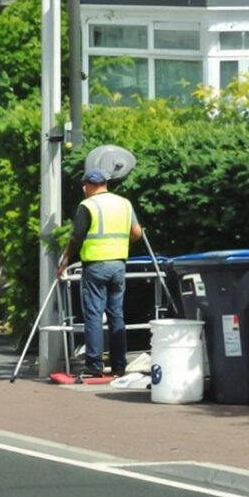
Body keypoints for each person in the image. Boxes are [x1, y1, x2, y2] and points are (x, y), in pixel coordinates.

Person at [60, 147, 146, 378]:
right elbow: (137, 233)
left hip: (96, 266)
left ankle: (95, 365)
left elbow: (76, 237)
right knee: (116, 315)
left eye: (84, 185)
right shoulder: (124, 203)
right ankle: (119, 365)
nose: (83, 189)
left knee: (93, 315)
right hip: (118, 265)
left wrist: (65, 260)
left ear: (88, 185)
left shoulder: (88, 206)